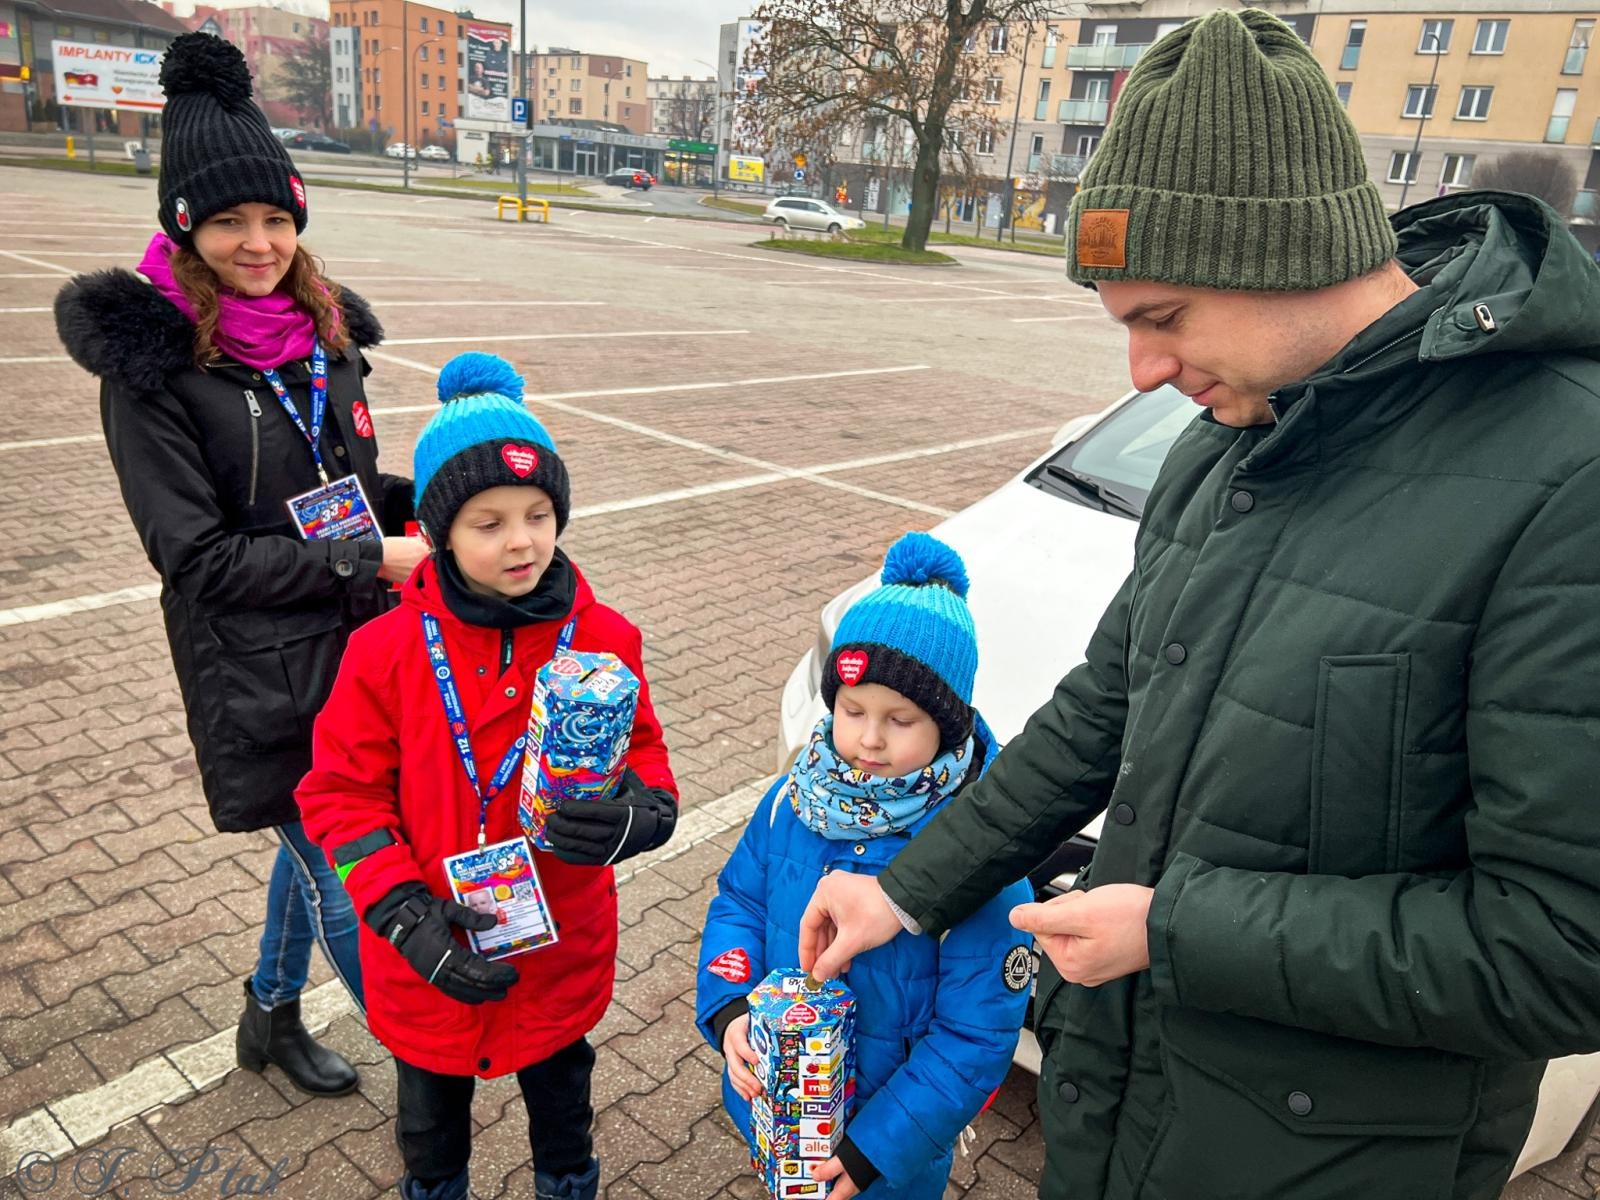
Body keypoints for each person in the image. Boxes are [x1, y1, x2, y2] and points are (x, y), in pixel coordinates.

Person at [797, 10, 1600, 1200]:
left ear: (1287, 254)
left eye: (1162, 318)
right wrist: (908, 890)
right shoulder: (1223, 447)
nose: (1141, 373)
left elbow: (1562, 950)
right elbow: (1102, 710)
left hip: (1336, 1163)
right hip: (1120, 1108)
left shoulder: (1567, 479)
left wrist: (1171, 930)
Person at [54, 32, 427, 1098]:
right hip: (259, 668)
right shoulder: (153, 367)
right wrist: (369, 554)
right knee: (350, 873)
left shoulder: (325, 334)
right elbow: (198, 558)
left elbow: (347, 481)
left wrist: (441, 511)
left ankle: (269, 1013)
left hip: (358, 649)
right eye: (228, 222)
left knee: (313, 845)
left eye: (275, 218)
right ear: (185, 226)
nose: (257, 243)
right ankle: (430, 1077)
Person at [296, 352, 679, 1200]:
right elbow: (339, 796)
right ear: (437, 532)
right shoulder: (385, 651)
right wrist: (401, 914)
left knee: (565, 1118)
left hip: (559, 946)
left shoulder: (605, 637)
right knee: (429, 1132)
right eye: (489, 522)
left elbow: (646, 753)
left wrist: (642, 815)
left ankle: (567, 1186)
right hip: (430, 950)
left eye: (539, 514)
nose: (522, 541)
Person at [697, 533, 1031, 1200]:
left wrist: (875, 1149)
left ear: (948, 725)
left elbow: (974, 1036)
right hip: (779, 1112)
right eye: (852, 711)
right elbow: (740, 902)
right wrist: (730, 1010)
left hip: (883, 1154)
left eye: (900, 719)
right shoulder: (792, 799)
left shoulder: (979, 855)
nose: (869, 739)